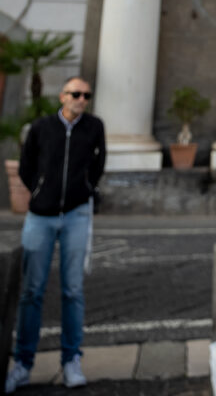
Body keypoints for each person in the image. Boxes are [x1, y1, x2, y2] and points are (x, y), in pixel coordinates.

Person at [5, 77, 106, 393]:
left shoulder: (94, 127)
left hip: (76, 215)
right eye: (75, 94)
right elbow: (26, 165)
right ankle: (22, 363)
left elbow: (98, 162)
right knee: (31, 291)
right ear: (62, 96)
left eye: (86, 95)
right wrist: (38, 190)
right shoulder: (42, 127)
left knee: (72, 290)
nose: (81, 99)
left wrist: (87, 188)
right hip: (40, 217)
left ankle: (71, 360)